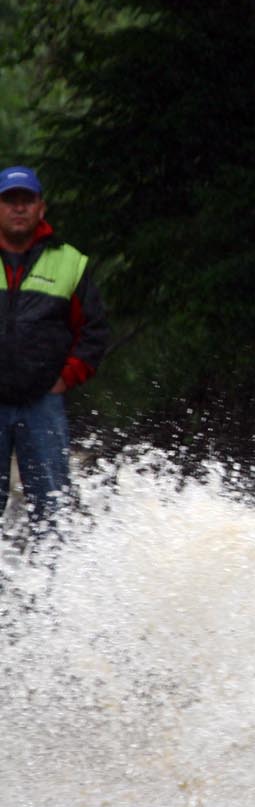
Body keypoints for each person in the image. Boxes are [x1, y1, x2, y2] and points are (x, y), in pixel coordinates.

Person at [0, 165, 108, 547]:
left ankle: (54, 603)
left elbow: (94, 332)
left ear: (41, 208)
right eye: (10, 201)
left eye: (26, 201)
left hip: (42, 404)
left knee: (53, 515)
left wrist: (66, 378)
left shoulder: (69, 262)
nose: (18, 209)